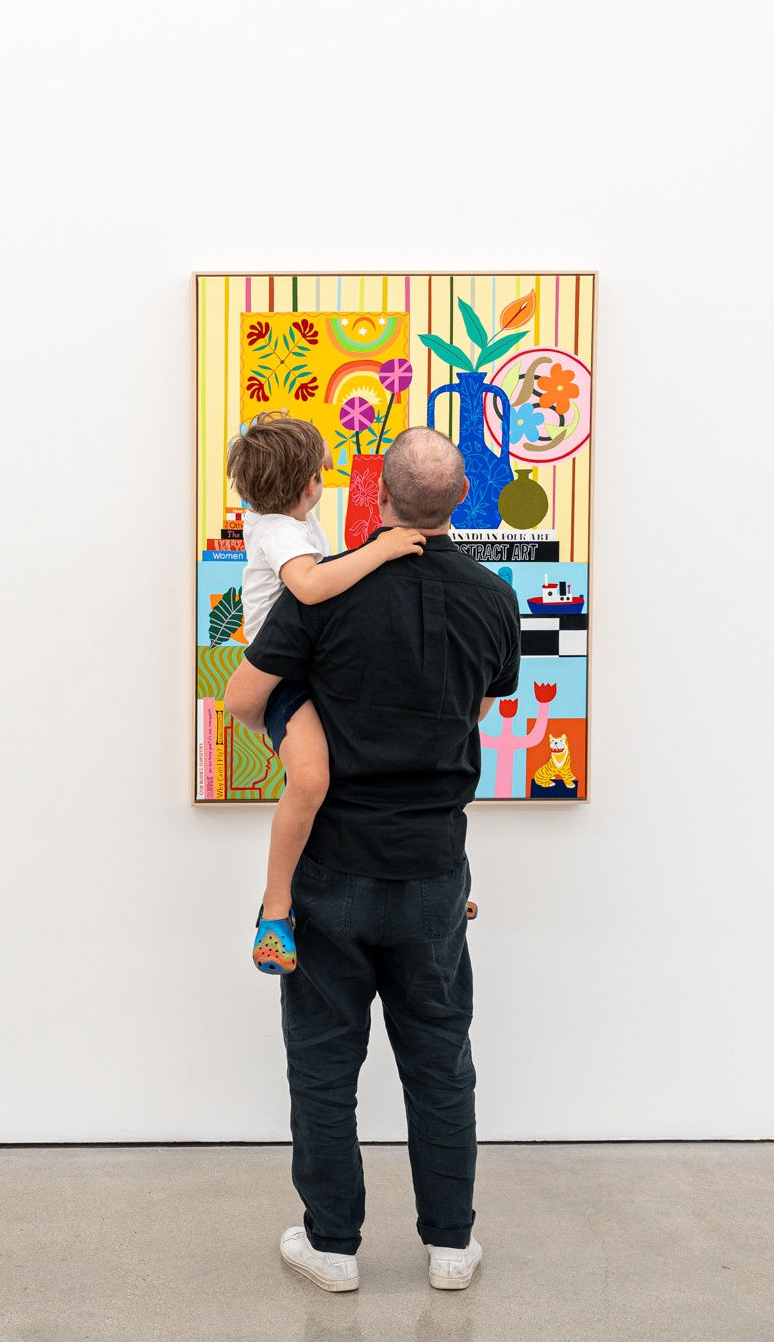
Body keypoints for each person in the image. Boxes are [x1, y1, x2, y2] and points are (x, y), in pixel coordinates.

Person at [223, 426, 521, 1295]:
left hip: (333, 870)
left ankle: (333, 1245)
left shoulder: (321, 593)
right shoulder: (490, 599)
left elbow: (246, 695)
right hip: (433, 869)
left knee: (323, 1063)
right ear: (457, 500)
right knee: (439, 1058)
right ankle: (451, 1245)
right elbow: (494, 690)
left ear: (377, 494)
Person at [224, 412, 425, 975]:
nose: (327, 476)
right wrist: (381, 549)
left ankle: (425, 888)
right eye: (321, 470)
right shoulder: (280, 531)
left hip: (315, 672)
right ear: (307, 482)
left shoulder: (292, 521)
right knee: (311, 779)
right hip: (286, 681)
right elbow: (312, 587)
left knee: (386, 753)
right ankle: (275, 909)